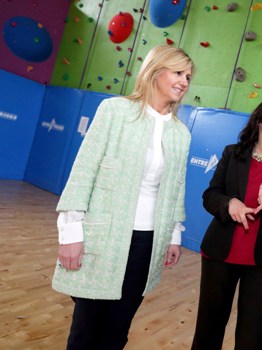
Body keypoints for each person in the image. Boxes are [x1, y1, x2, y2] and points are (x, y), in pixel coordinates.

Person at [52, 45, 194, 349]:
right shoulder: (114, 111)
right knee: (85, 330)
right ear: (156, 71)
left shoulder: (181, 133)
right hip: (104, 236)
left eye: (189, 76)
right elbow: (83, 171)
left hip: (147, 242)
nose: (184, 81)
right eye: (178, 72)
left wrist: (174, 235)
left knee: (117, 331)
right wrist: (71, 233)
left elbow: (176, 186)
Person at [191, 97, 262, 350]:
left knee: (253, 337)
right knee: (208, 328)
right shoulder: (233, 154)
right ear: (259, 119)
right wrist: (230, 203)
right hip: (220, 254)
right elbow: (210, 196)